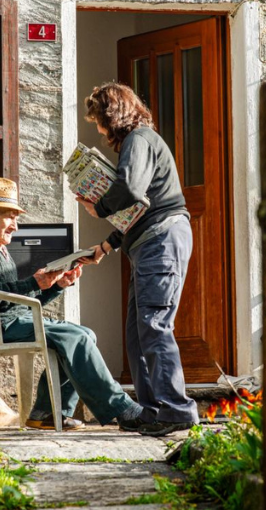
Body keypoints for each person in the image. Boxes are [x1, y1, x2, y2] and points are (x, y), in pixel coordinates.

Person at [0, 177, 144, 431]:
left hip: (9, 320)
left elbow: (17, 301)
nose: (15, 226)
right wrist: (34, 282)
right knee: (75, 337)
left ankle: (46, 412)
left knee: (84, 334)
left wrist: (56, 285)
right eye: (10, 217)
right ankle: (121, 409)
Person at [76, 82, 201, 437]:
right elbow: (138, 207)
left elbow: (129, 188)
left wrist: (98, 207)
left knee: (154, 325)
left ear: (112, 116)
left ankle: (176, 410)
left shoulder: (139, 140)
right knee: (137, 333)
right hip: (149, 241)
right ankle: (154, 410)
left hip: (161, 241)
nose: (98, 129)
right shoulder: (139, 142)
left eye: (98, 120)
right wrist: (106, 246)